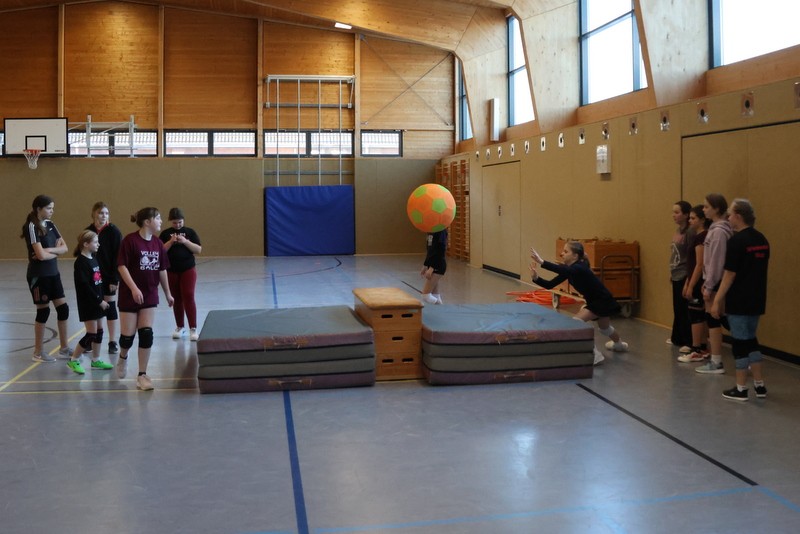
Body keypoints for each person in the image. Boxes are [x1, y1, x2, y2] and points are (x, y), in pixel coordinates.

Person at [530, 242, 628, 365]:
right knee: (604, 328)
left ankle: (595, 355)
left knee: (576, 322)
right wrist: (536, 278)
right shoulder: (570, 270)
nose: (562, 254)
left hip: (601, 301)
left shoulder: (579, 268)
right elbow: (550, 285)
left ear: (575, 256)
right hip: (598, 301)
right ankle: (619, 345)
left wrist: (542, 261)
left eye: (566, 251)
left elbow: (561, 269)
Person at [712, 199, 770, 401]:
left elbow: (729, 274)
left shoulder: (736, 242)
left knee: (740, 344)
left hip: (739, 300)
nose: (728, 218)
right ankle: (759, 385)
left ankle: (741, 388)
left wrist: (717, 300)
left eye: (730, 214)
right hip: (757, 299)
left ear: (738, 216)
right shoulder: (761, 239)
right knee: (751, 339)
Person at [116, 207, 174, 391]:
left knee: (146, 333)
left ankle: (142, 374)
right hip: (129, 294)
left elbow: (162, 269)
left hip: (149, 294)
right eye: (158, 218)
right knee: (127, 337)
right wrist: (133, 288)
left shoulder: (158, 243)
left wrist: (167, 293)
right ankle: (123, 357)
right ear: (147, 222)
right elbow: (122, 266)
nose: (161, 221)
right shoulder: (130, 241)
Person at [21, 195, 72, 362]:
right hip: (39, 276)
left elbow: (64, 248)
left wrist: (48, 250)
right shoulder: (31, 227)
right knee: (43, 311)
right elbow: (40, 256)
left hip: (53, 274)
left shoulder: (50, 224)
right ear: (39, 209)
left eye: (52, 208)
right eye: (49, 208)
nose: (52, 211)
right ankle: (38, 352)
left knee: (63, 309)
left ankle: (64, 348)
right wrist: (51, 252)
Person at [695, 193, 733, 375]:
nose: (703, 210)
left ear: (716, 209)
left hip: (716, 281)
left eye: (706, 207)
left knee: (716, 318)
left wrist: (709, 285)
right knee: (717, 317)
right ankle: (743, 354)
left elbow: (716, 262)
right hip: (712, 280)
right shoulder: (714, 229)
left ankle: (717, 361)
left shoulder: (719, 232)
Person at [66, 230, 114, 374]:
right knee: (91, 333)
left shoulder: (93, 258)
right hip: (88, 303)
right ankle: (74, 359)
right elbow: (85, 286)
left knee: (99, 331)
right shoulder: (81, 262)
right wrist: (99, 301)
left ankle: (96, 360)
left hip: (97, 301)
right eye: (95, 242)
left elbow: (97, 281)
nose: (98, 244)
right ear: (86, 244)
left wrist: (102, 298)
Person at [160, 207, 203, 341]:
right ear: (170, 221)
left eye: (180, 222)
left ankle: (193, 328)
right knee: (176, 298)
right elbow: (160, 251)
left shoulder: (190, 232)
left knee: (188, 295)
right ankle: (180, 326)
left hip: (188, 269)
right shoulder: (165, 234)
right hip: (171, 270)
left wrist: (185, 242)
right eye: (174, 223)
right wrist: (170, 242)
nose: (177, 225)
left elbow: (198, 249)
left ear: (183, 220)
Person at [87, 202, 123, 355]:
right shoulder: (88, 231)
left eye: (106, 213)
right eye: (101, 213)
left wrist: (115, 279)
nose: (104, 216)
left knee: (110, 307)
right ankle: (94, 338)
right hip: (93, 276)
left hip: (108, 276)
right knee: (96, 306)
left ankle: (112, 341)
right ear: (94, 214)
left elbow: (118, 256)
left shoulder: (114, 231)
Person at [678, 205, 711, 363]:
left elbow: (699, 264)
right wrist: (687, 281)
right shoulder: (697, 236)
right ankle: (703, 347)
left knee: (696, 315)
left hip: (698, 282)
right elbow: (691, 265)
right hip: (693, 279)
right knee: (699, 315)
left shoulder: (702, 237)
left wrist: (691, 285)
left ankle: (697, 349)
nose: (690, 221)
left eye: (693, 218)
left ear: (702, 220)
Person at [668, 201, 693, 352]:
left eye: (677, 212)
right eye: (673, 212)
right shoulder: (678, 230)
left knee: (684, 309)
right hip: (676, 273)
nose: (674, 215)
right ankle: (677, 337)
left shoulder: (690, 232)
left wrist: (689, 279)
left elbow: (691, 256)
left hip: (684, 274)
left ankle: (688, 341)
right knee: (677, 308)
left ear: (686, 214)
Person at [420, 228, 447, 304]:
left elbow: (441, 250)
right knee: (435, 295)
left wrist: (432, 267)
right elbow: (430, 250)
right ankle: (440, 309)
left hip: (438, 265)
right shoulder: (430, 230)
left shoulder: (441, 230)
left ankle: (442, 308)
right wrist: (425, 265)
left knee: (425, 295)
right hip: (432, 264)